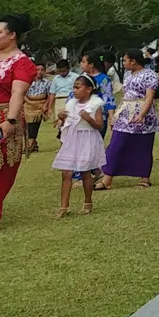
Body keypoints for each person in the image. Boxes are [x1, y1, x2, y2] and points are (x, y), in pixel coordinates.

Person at [0, 14, 36, 233]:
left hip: (2, 117)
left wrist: (10, 120)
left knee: (0, 168)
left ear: (12, 36)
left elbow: (18, 93)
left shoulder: (22, 63)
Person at [97, 50, 159, 190]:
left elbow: (149, 96)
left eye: (125, 60)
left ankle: (144, 177)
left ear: (133, 61)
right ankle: (107, 178)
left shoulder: (150, 75)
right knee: (116, 143)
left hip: (143, 111)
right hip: (125, 111)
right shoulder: (127, 74)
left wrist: (142, 113)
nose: (124, 63)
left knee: (143, 144)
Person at [52, 75, 105, 217]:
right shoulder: (71, 104)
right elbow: (67, 123)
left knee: (85, 172)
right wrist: (62, 118)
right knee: (66, 172)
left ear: (88, 89)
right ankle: (64, 206)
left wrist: (88, 118)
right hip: (72, 139)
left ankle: (88, 201)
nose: (74, 90)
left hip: (87, 139)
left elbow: (99, 125)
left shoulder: (95, 105)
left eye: (77, 87)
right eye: (73, 87)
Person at [23, 63, 51, 154]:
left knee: (35, 124)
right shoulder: (28, 81)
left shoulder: (47, 82)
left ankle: (31, 143)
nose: (39, 72)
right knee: (27, 125)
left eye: (42, 70)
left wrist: (46, 105)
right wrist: (29, 101)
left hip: (40, 105)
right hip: (28, 104)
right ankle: (33, 143)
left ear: (45, 71)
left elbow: (49, 95)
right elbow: (22, 93)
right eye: (37, 70)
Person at [48, 59, 77, 127]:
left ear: (68, 69)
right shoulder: (56, 79)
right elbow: (52, 93)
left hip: (71, 99)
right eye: (60, 71)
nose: (62, 73)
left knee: (71, 119)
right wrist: (49, 108)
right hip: (59, 100)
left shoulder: (75, 77)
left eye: (64, 71)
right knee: (60, 121)